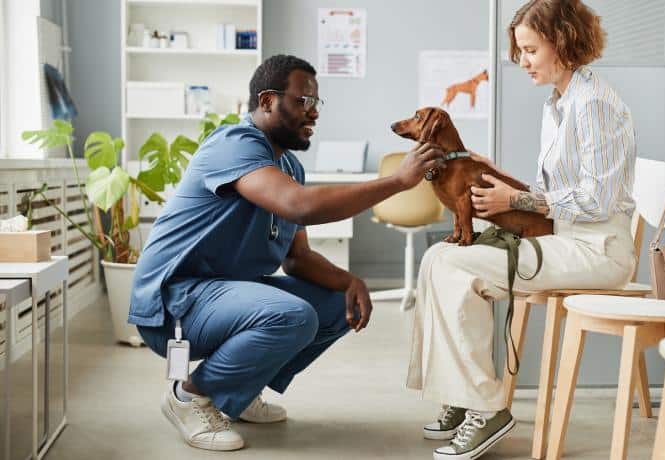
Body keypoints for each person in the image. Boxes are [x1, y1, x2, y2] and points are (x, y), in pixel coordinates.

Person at [129, 54, 445, 451]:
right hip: (176, 303)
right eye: (302, 101)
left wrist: (349, 281)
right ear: (266, 101)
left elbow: (296, 258)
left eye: (316, 103)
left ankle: (238, 394)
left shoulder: (290, 167)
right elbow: (299, 206)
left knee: (334, 302)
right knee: (290, 315)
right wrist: (397, 181)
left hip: (224, 297)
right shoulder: (234, 145)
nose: (312, 112)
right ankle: (189, 397)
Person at [407, 2, 638, 459]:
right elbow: (560, 194)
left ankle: (486, 407)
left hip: (599, 250)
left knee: (455, 267)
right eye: (520, 51)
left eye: (530, 49)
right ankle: (462, 393)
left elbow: (598, 201)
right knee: (438, 256)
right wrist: (502, 179)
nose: (522, 61)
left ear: (563, 40)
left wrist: (514, 200)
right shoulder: (560, 103)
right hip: (568, 237)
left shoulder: (592, 104)